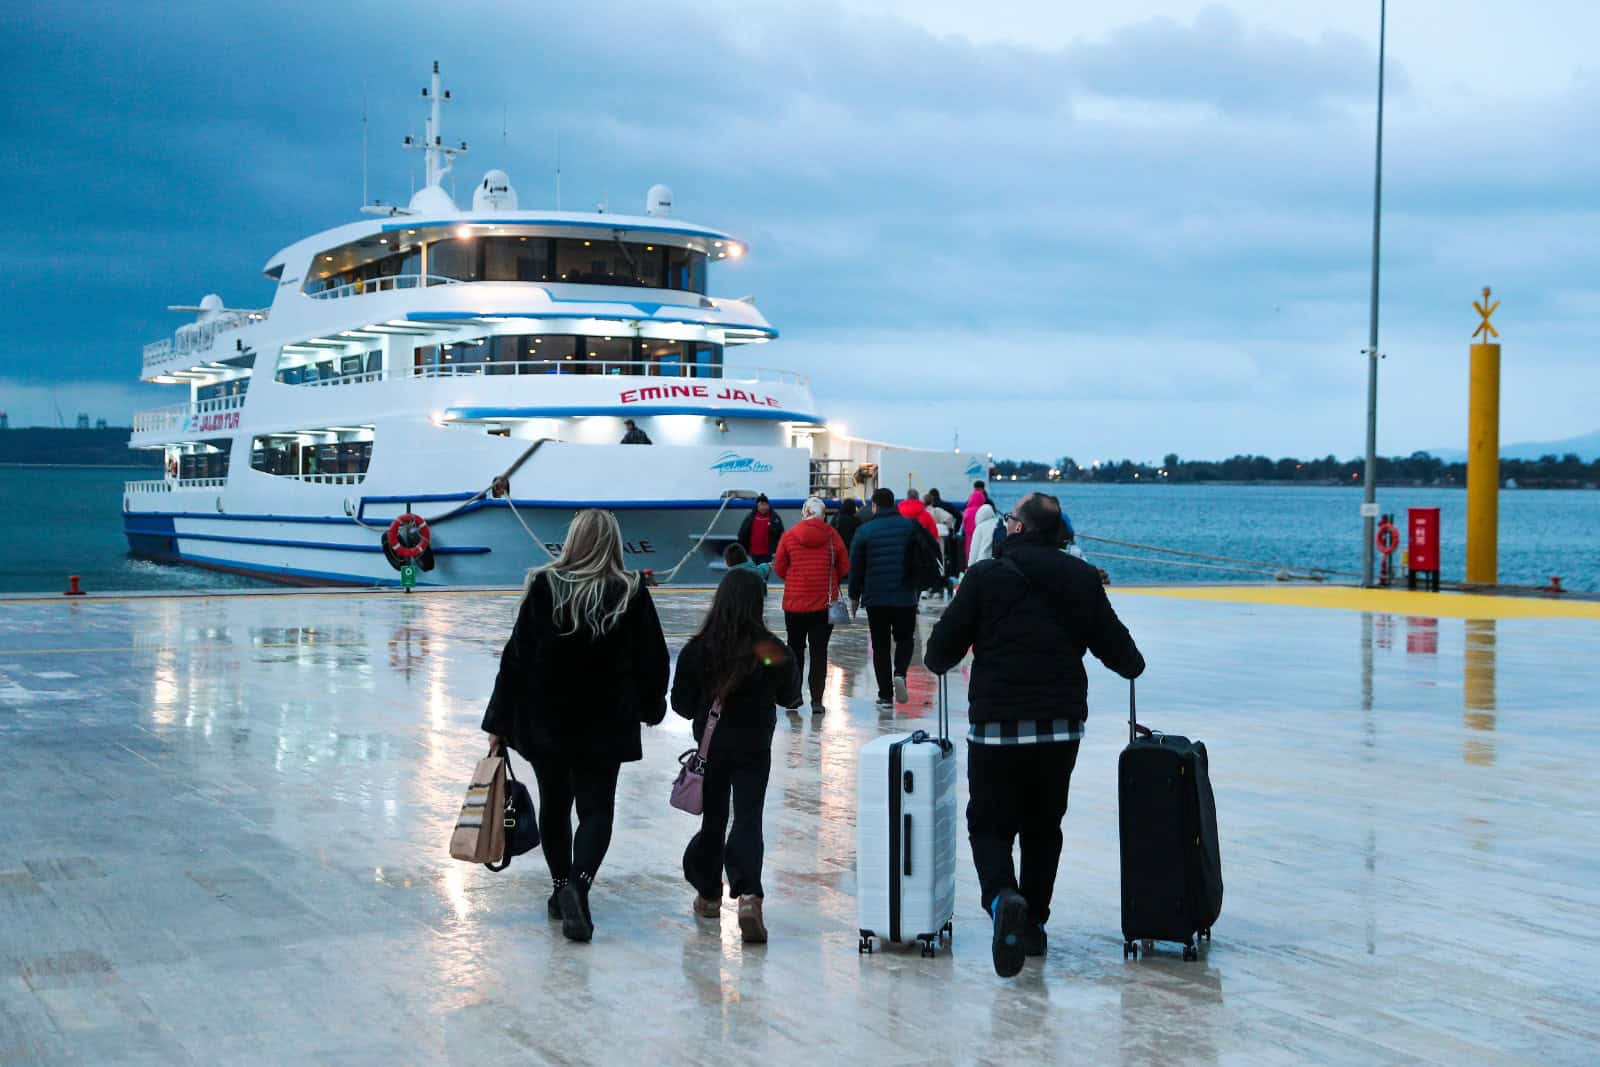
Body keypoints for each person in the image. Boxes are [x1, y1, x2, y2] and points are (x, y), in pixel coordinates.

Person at [923, 492, 1144, 978]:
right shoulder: (1083, 579)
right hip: (1061, 727)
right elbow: (1127, 658)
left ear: (1019, 529)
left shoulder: (984, 577)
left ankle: (1004, 897)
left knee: (989, 824)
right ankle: (1035, 925)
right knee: (1044, 828)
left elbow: (939, 654)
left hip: (996, 727)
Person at [482, 509, 670, 944]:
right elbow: (654, 658)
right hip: (606, 720)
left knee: (555, 805)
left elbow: (516, 658)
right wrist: (650, 705)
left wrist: (499, 722)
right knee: (597, 809)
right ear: (613, 544)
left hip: (546, 718)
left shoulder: (546, 586)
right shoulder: (631, 592)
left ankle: (558, 887)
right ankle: (578, 886)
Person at [672, 568, 802, 943]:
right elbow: (789, 696)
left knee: (713, 820)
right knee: (748, 818)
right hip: (753, 747)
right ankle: (749, 896)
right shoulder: (767, 648)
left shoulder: (700, 648)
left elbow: (680, 703)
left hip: (711, 749)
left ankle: (709, 894)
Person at [772, 496, 850, 714]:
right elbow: (844, 567)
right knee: (819, 653)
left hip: (795, 605)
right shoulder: (833, 536)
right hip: (824, 605)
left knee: (795, 651)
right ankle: (817, 701)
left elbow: (779, 568)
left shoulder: (789, 536)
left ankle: (794, 697)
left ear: (804, 513)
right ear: (823, 514)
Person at [848, 487, 921, 709]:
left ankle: (885, 696)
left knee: (880, 646)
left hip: (875, 597)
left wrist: (854, 596)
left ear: (875, 505)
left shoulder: (864, 530)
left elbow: (856, 567)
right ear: (895, 504)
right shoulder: (910, 527)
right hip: (905, 595)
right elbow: (919, 559)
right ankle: (900, 673)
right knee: (905, 639)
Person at [736, 494, 785, 565]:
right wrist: (741, 549)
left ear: (768, 506)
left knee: (764, 573)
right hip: (752, 553)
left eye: (765, 504)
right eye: (761, 505)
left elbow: (781, 534)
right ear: (757, 506)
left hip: (768, 554)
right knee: (753, 573)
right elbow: (742, 533)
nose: (763, 507)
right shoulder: (750, 517)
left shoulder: (774, 518)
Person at [961, 482, 988, 561]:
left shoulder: (967, 511)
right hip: (982, 537)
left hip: (969, 537)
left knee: (970, 555)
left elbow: (964, 525)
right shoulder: (985, 509)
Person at [968, 498, 998, 565]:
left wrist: (970, 568)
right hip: (1001, 564)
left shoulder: (980, 528)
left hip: (983, 564)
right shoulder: (1004, 524)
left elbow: (974, 552)